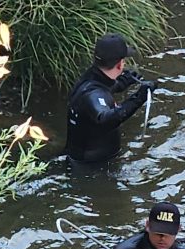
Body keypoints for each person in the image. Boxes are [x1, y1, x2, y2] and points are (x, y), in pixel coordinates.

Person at [65, 33, 157, 163]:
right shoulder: (93, 94)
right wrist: (139, 97)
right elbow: (105, 119)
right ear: (120, 64)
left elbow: (103, 88)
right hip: (93, 166)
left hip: (80, 155)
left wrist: (123, 82)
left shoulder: (88, 79)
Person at [105, 202, 182, 249]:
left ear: (178, 229)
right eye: (158, 233)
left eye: (168, 233)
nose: (162, 238)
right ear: (147, 226)